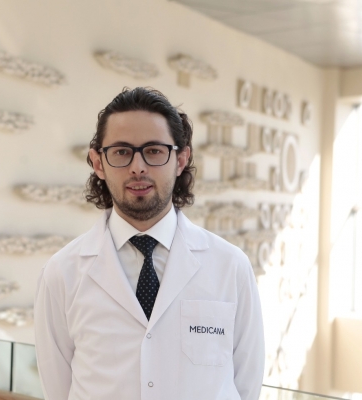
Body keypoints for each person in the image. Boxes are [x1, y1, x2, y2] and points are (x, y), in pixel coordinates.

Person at [34, 87, 265, 400]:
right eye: (121, 152)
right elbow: (57, 389)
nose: (138, 167)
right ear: (98, 163)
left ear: (181, 159)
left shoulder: (230, 266)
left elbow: (247, 384)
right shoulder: (61, 273)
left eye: (154, 150)